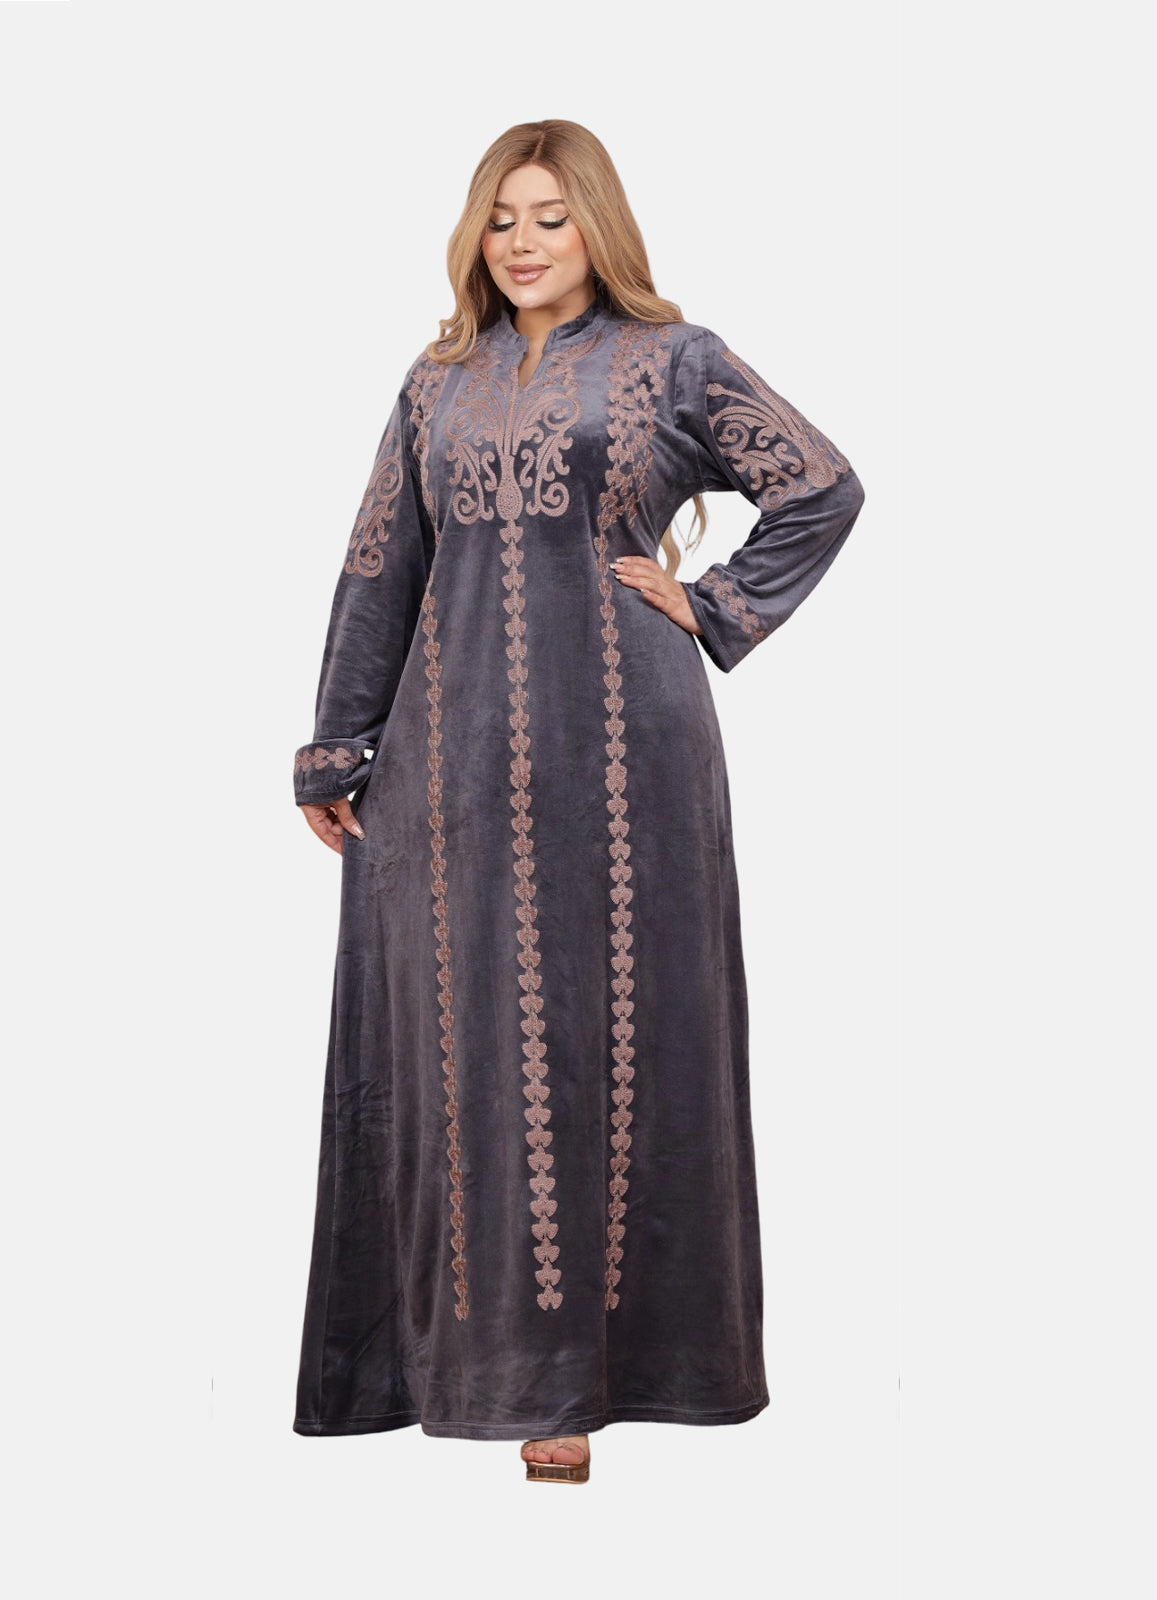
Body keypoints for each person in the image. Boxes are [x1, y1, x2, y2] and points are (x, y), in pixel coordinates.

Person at [292, 119, 865, 1484]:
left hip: (627, 758)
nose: (523, 242)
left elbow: (821, 487)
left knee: (623, 1034)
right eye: (501, 218)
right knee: (467, 1046)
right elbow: (379, 564)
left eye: (550, 215)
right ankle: (488, 1377)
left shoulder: (674, 360)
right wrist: (335, 743)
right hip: (448, 762)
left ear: (596, 224)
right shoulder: (438, 383)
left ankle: (604, 1384)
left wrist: (714, 603)